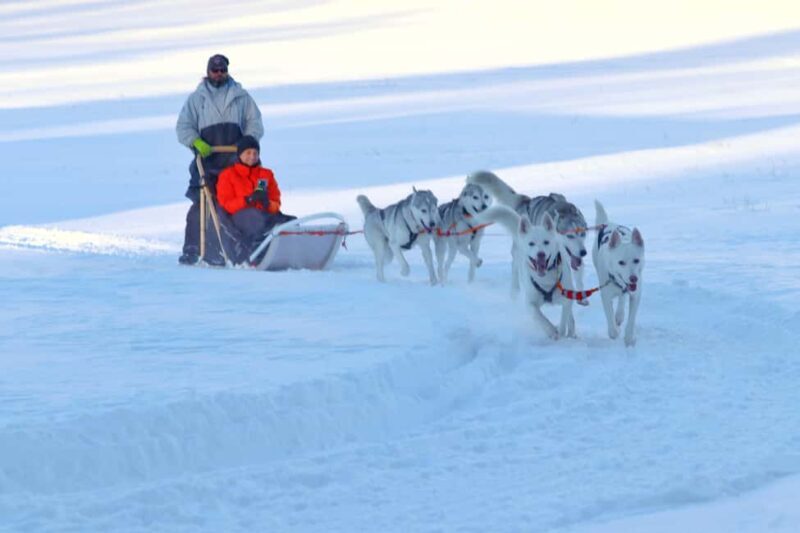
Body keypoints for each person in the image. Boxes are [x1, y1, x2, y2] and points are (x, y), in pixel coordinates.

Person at [175, 53, 264, 265]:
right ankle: (193, 249)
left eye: (222, 70)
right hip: (207, 160)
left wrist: (247, 145)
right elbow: (183, 127)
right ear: (207, 72)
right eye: (215, 70)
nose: (219, 74)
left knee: (240, 202)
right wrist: (196, 142)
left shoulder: (241, 97)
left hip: (236, 161)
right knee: (201, 204)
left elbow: (255, 122)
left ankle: (243, 246)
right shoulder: (196, 99)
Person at [216, 135, 296, 264]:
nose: (252, 156)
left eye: (255, 153)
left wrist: (267, 203)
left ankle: (287, 251)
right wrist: (247, 199)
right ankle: (256, 254)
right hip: (238, 217)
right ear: (240, 155)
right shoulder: (227, 175)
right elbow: (226, 205)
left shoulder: (266, 174)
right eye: (248, 153)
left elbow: (276, 202)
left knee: (291, 222)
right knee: (255, 217)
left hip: (262, 214)